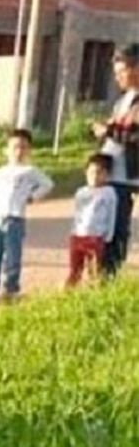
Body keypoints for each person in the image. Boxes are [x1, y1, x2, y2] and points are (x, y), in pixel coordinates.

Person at [0, 128, 53, 306]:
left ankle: (10, 290)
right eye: (15, 147)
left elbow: (48, 184)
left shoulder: (30, 171)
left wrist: (32, 196)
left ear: (29, 150)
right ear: (6, 150)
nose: (18, 151)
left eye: (23, 147)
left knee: (12, 256)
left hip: (14, 218)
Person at [91, 43, 139, 275]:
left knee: (117, 227)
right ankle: (99, 270)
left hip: (126, 177)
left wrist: (108, 132)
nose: (117, 77)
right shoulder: (123, 100)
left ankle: (111, 273)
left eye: (122, 71)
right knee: (101, 225)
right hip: (109, 174)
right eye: (116, 72)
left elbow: (135, 136)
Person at [67, 153, 117, 288]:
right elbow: (77, 213)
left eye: (99, 172)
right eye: (91, 172)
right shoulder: (81, 192)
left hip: (96, 237)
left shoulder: (108, 192)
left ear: (107, 175)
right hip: (78, 235)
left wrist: (108, 236)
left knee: (94, 269)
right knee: (75, 268)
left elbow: (112, 214)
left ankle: (93, 292)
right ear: (86, 173)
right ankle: (70, 291)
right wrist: (74, 231)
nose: (95, 176)